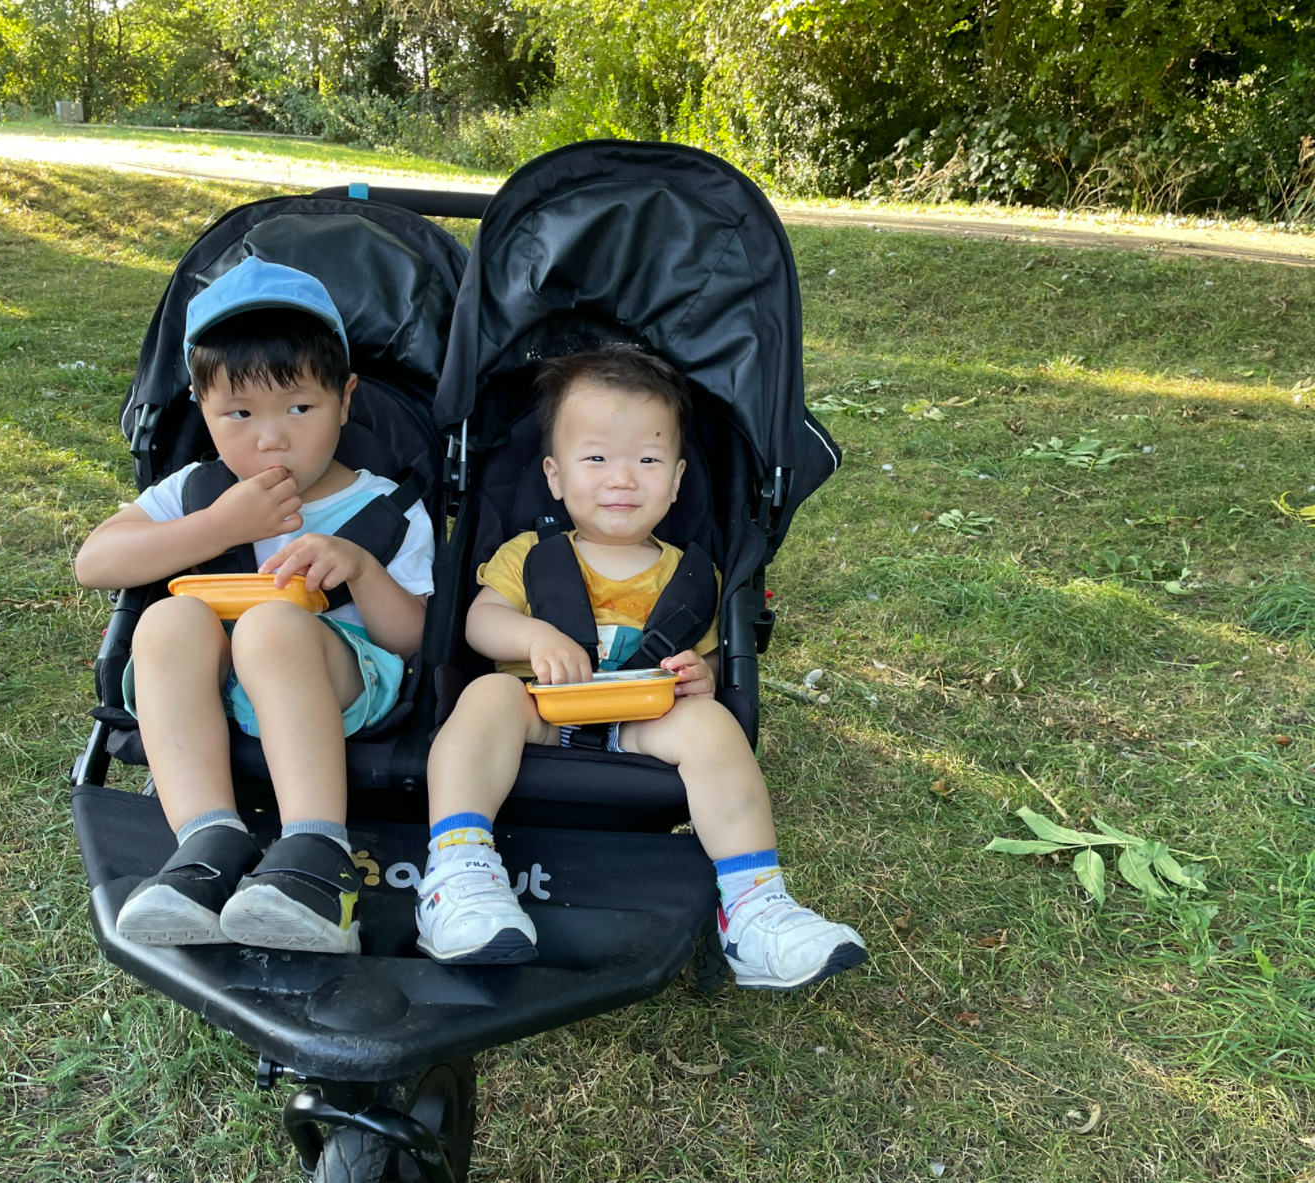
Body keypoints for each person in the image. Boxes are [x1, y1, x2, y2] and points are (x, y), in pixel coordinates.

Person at [414, 345, 867, 990]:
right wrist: (535, 633)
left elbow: (706, 656)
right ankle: (458, 871)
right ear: (554, 475)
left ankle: (754, 905)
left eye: (647, 461)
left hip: (642, 723)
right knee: (487, 694)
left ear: (677, 480)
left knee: (711, 724)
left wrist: (701, 674)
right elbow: (479, 623)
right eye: (596, 459)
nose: (622, 479)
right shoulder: (528, 555)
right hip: (540, 709)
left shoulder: (692, 575)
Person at [75, 257, 433, 953]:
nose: (271, 437)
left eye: (300, 408)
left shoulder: (386, 507)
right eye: (238, 414)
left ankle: (318, 853)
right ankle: (208, 841)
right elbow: (94, 563)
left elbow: (414, 638)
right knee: (168, 616)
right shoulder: (198, 492)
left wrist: (361, 568)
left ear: (345, 399)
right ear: (201, 409)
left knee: (270, 624)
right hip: (214, 689)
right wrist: (216, 528)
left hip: (343, 683)